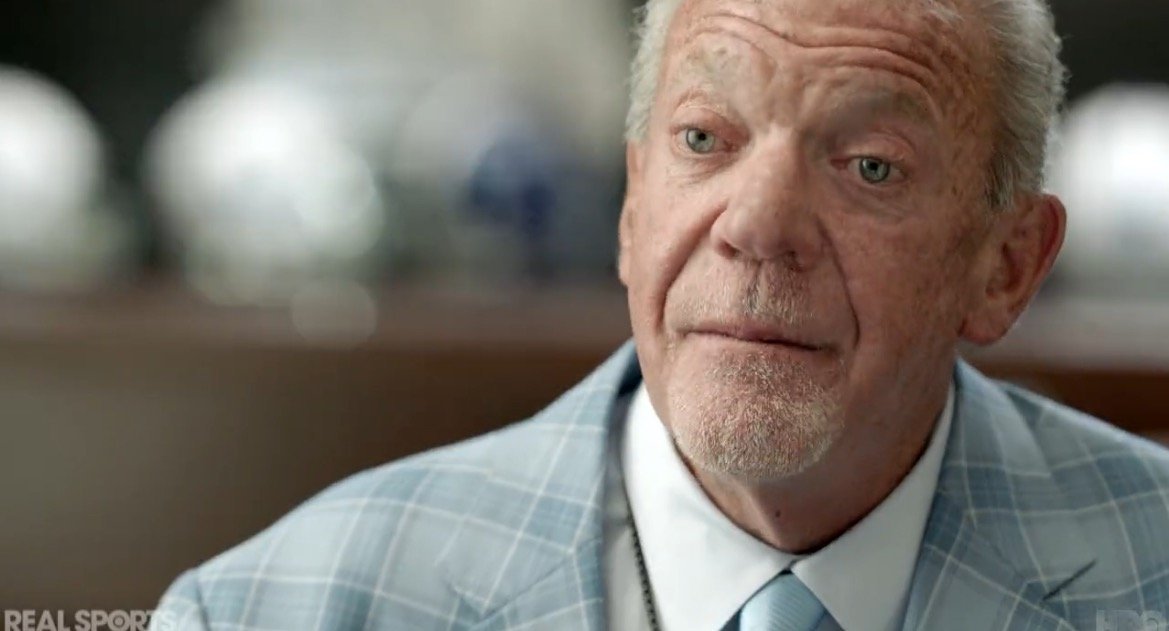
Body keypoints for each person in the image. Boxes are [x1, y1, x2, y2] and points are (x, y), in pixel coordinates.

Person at [151, 0, 1169, 629]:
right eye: (702, 139)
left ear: (1005, 265)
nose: (758, 226)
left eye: (868, 166)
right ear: (633, 207)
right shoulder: (274, 608)